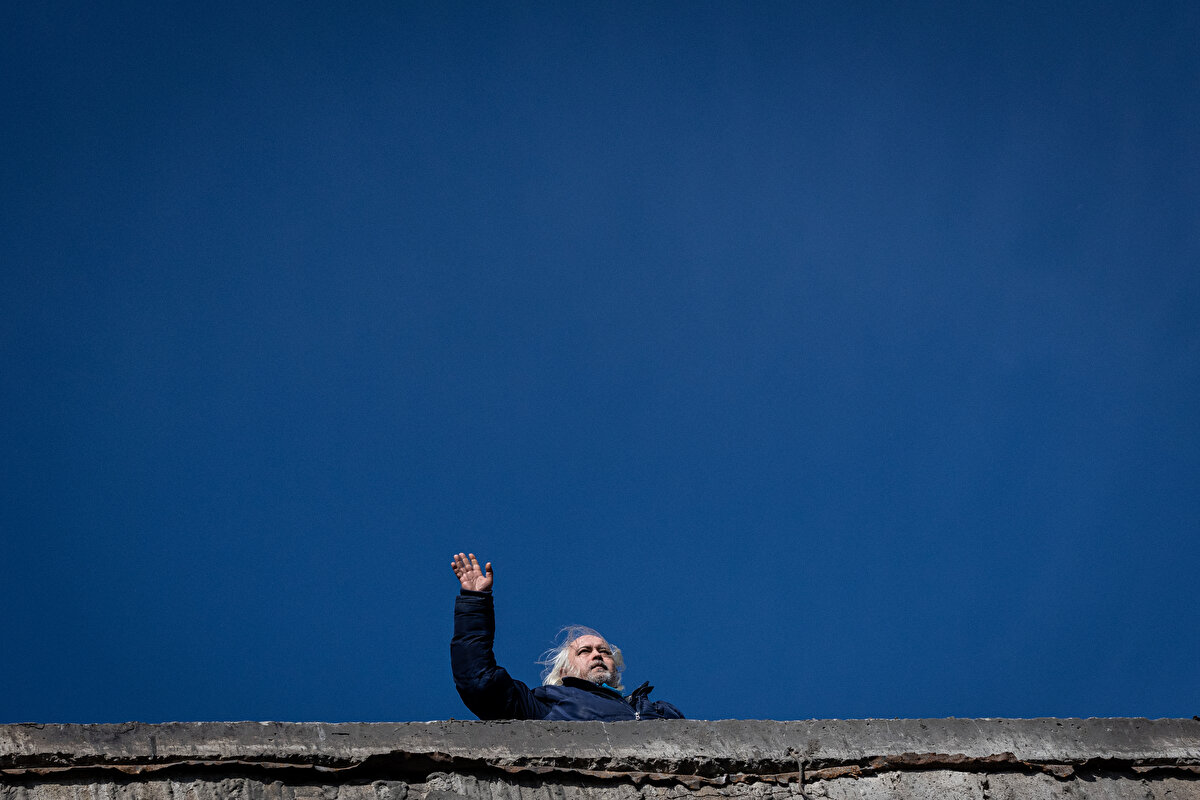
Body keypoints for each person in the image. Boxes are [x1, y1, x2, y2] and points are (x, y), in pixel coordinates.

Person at [450, 552, 685, 721]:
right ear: (563, 671)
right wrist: (475, 601)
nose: (597, 655)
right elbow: (479, 682)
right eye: (585, 651)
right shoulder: (543, 705)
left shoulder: (655, 709)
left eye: (604, 651)